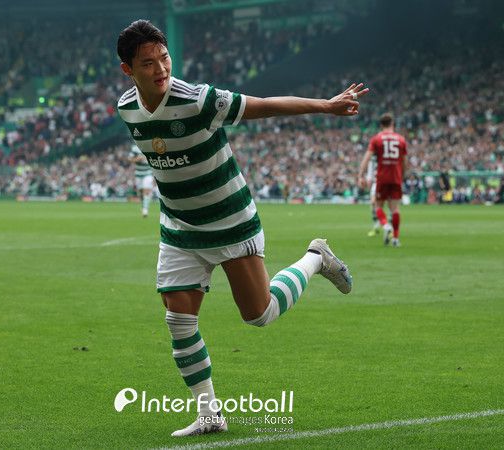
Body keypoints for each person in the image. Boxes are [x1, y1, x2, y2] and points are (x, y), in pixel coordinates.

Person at [116, 20, 367, 437]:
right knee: (179, 321)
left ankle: (315, 258)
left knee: (259, 314)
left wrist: (326, 105)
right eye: (148, 63)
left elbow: (264, 104)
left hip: (230, 220)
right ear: (128, 70)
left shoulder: (199, 100)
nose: (161, 69)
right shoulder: (126, 107)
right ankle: (210, 414)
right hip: (180, 227)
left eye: (164, 58)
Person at [358, 113, 407, 247]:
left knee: (378, 206)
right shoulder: (401, 139)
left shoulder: (377, 139)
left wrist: (360, 175)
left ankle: (385, 225)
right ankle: (395, 239)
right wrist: (402, 176)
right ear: (393, 124)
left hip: (382, 177)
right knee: (395, 209)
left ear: (381, 125)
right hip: (396, 177)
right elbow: (404, 162)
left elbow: (367, 158)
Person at [130, 143, 155, 217]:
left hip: (148, 172)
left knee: (146, 191)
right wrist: (137, 159)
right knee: (140, 193)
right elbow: (130, 159)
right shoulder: (135, 148)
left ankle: (145, 210)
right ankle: (144, 205)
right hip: (138, 173)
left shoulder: (150, 145)